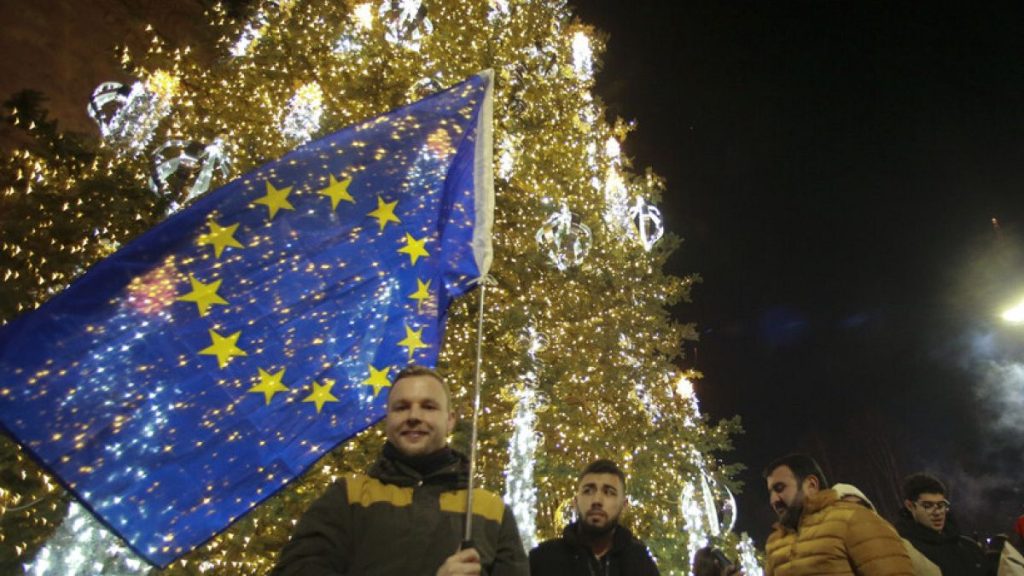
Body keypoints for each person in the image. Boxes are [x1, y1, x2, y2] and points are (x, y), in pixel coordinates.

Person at [271, 365, 528, 576]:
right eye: (401, 407)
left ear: (450, 420)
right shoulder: (348, 497)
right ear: (388, 419)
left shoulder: (491, 511)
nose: (413, 416)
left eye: (428, 406)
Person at [763, 454, 913, 575]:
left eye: (780, 488)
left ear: (811, 485)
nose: (773, 500)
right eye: (770, 492)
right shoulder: (775, 543)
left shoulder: (855, 520)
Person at [529, 459, 660, 575]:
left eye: (609, 492)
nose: (597, 500)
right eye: (588, 491)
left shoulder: (639, 562)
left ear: (624, 505)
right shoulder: (543, 559)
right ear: (575, 502)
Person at [833, 482, 940, 576]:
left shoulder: (892, 537)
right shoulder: (833, 552)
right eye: (847, 507)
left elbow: (930, 572)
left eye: (861, 506)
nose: (857, 512)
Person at [895, 473, 991, 576]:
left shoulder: (969, 547)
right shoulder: (903, 550)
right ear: (910, 506)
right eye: (928, 506)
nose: (937, 512)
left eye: (941, 505)